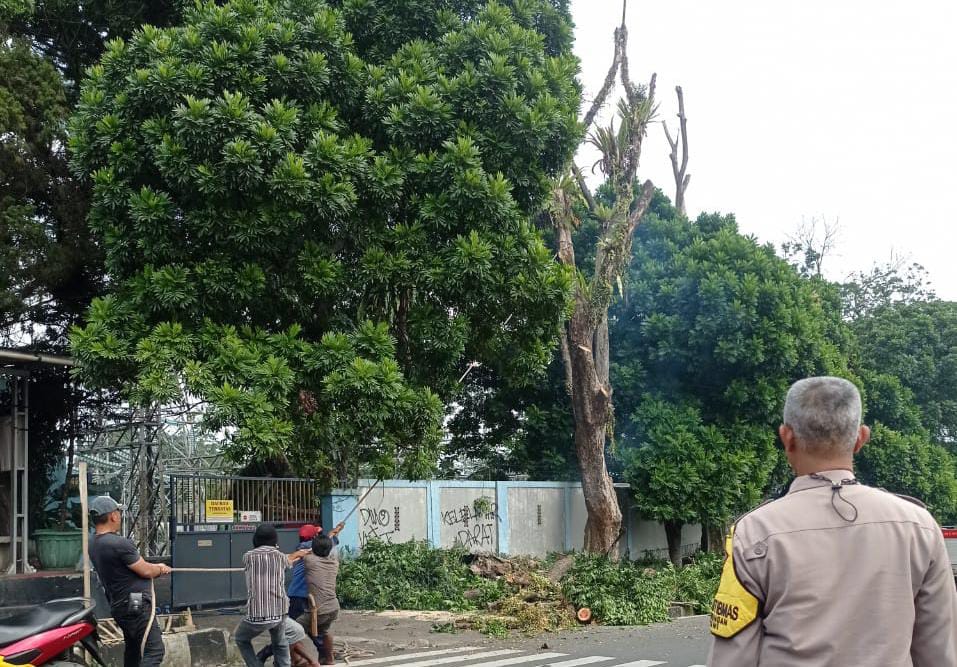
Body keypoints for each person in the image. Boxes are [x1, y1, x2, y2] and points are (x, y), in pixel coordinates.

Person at [708, 376, 957, 666]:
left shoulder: (753, 532)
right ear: (861, 438)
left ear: (786, 437)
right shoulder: (920, 527)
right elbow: (940, 652)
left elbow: (733, 658)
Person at [88, 495, 171, 667]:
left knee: (133, 649)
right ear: (113, 516)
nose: (119, 516)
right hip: (135, 602)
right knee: (154, 651)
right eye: (118, 512)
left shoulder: (93, 543)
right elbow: (146, 570)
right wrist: (160, 568)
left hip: (119, 604)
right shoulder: (119, 543)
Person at [235, 524, 310, 667]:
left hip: (256, 615)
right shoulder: (281, 557)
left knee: (241, 638)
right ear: (275, 540)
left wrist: (295, 555)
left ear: (255, 539)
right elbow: (288, 558)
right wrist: (301, 553)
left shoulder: (248, 557)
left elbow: (283, 558)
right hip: (279, 613)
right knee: (280, 643)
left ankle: (255, 664)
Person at [304, 534, 340, 665]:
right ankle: (329, 659)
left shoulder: (310, 561)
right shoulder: (334, 562)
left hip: (319, 609)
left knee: (292, 629)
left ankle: (301, 660)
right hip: (333, 607)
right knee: (325, 631)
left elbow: (305, 553)